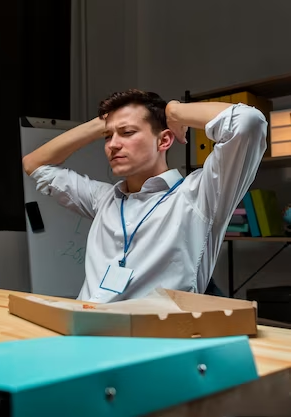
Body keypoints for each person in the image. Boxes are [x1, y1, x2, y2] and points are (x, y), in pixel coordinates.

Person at [22, 89, 267, 302]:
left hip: (149, 340)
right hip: (85, 331)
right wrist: (99, 125)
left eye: (127, 132)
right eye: (108, 137)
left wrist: (175, 111)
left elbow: (248, 123)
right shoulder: (105, 199)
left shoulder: (198, 195)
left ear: (164, 141)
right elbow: (34, 163)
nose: (112, 145)